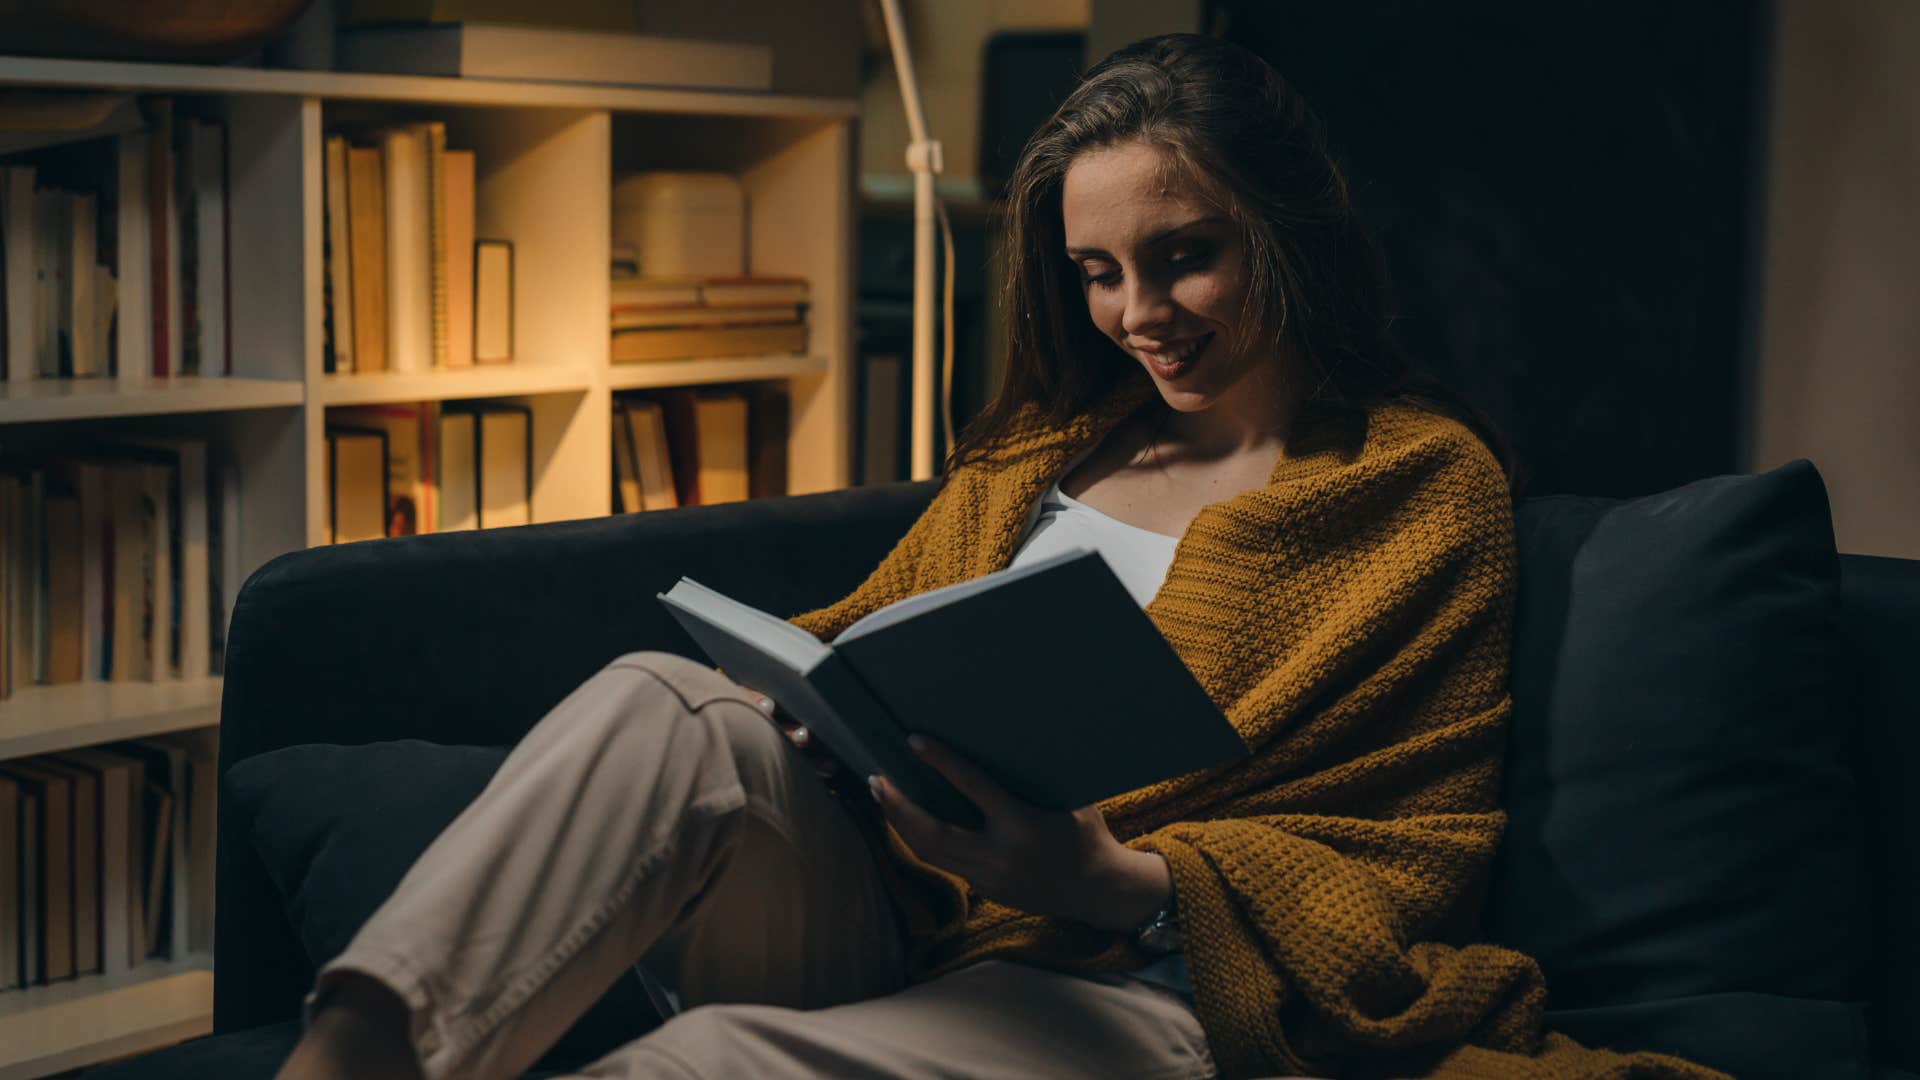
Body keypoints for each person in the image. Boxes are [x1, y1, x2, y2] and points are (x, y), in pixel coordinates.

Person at [275, 34, 1718, 1080]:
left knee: (705, 1062)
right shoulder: (1043, 456)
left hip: (1163, 992)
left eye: (1184, 256)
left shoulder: (1415, 487)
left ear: (1288, 236)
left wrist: (1109, 878)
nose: (1138, 313)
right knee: (669, 700)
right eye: (1098, 272)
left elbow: (1410, 861)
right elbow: (872, 637)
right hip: (918, 918)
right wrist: (813, 701)